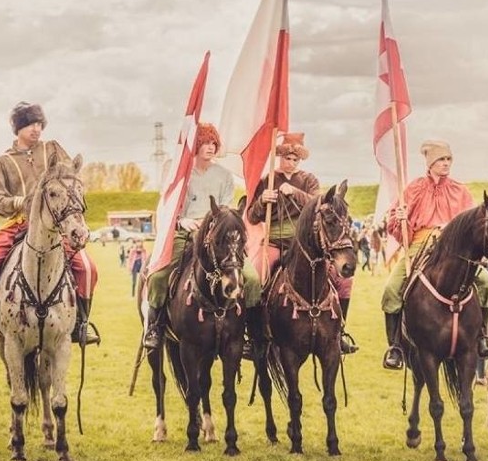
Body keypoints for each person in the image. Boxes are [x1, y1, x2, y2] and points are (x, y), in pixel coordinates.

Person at [0, 102, 98, 346]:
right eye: (29, 124)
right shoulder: (2, 161)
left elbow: (69, 178)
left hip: (53, 227)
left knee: (88, 270)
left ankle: (82, 324)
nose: (36, 129)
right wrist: (19, 202)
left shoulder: (53, 149)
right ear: (18, 128)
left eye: (39, 123)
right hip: (17, 224)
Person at [381, 140, 488, 370]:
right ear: (430, 163)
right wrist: (400, 218)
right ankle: (395, 347)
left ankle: (482, 336)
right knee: (391, 289)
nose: (446, 164)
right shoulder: (413, 188)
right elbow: (394, 225)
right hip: (419, 244)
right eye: (441, 160)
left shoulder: (459, 190)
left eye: (448, 159)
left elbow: (473, 225)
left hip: (453, 247)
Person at [143, 123, 261, 350]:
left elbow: (226, 210)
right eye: (205, 142)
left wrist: (215, 227)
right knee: (158, 277)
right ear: (194, 146)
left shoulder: (224, 176)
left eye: (213, 143)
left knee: (253, 279)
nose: (210, 147)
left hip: (216, 238)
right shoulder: (178, 174)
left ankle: (253, 334)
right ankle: (155, 326)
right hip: (184, 234)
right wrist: (181, 221)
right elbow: (168, 206)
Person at [246, 132, 358, 354]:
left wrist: (295, 192)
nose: (291, 162)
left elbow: (320, 204)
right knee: (255, 277)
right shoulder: (267, 180)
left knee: (343, 281)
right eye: (287, 157)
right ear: (280, 157)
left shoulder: (309, 180)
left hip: (303, 244)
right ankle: (254, 335)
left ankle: (339, 331)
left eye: (295, 159)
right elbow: (251, 216)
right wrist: (262, 201)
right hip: (274, 241)